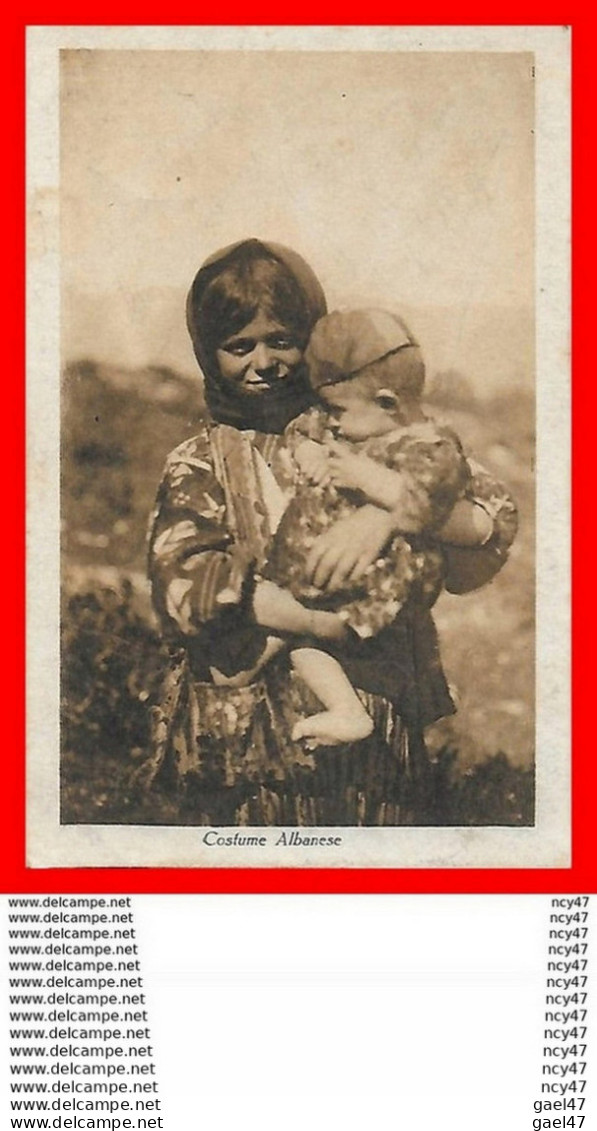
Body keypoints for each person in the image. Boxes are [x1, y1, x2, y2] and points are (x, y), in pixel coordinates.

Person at [139, 238, 517, 827]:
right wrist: (318, 622)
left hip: (378, 722)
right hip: (250, 734)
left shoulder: (364, 422)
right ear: (208, 353)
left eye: (282, 341)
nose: (263, 363)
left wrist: (388, 513)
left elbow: (489, 514)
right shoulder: (199, 461)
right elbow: (185, 583)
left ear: (312, 339)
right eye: (239, 347)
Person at [263, 308, 471, 748]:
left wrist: (369, 483)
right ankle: (345, 709)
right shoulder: (362, 424)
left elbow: (427, 505)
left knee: (297, 633)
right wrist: (311, 453)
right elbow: (305, 429)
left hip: (375, 586)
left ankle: (347, 711)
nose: (332, 421)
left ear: (387, 403)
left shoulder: (432, 448)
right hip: (350, 577)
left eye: (337, 410)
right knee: (293, 632)